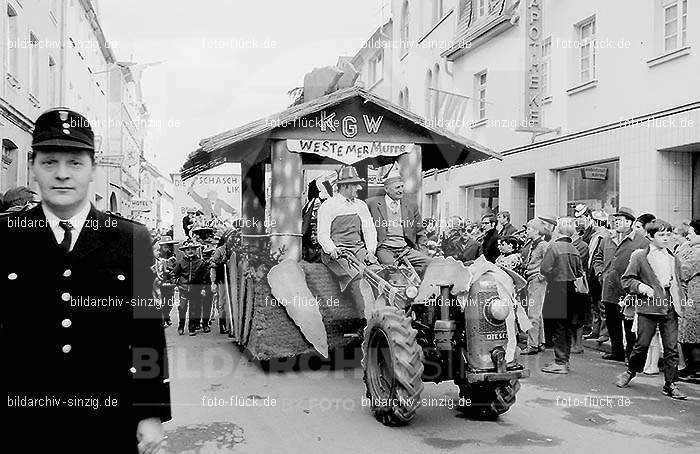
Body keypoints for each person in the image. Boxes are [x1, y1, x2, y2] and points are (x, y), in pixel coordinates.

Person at [0, 108, 170, 453]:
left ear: (93, 169)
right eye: (50, 162)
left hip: (109, 420)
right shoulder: (6, 237)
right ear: (33, 167)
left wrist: (150, 413)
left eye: (75, 162)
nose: (62, 174)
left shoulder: (130, 239)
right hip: (19, 422)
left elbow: (146, 333)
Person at [616, 219, 687, 399]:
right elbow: (627, 280)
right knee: (641, 345)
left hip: (669, 308)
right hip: (648, 308)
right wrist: (642, 288)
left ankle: (671, 384)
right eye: (661, 235)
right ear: (650, 236)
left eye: (668, 234)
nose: (666, 238)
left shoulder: (673, 258)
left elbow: (680, 282)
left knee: (671, 348)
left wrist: (681, 299)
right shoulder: (640, 256)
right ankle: (630, 372)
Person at [317, 165, 378, 317]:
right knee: (356, 277)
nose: (358, 188)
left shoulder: (361, 205)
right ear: (344, 186)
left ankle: (384, 312)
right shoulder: (328, 206)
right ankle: (366, 320)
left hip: (358, 249)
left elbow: (369, 230)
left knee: (377, 272)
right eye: (354, 185)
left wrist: (370, 251)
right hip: (337, 252)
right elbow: (322, 235)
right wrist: (332, 249)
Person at [592, 207, 649, 362]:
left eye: (620, 220)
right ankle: (616, 351)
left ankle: (630, 354)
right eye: (616, 220)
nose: (617, 223)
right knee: (612, 322)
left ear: (630, 222)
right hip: (609, 287)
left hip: (628, 289)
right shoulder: (607, 239)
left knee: (629, 323)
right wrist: (600, 273)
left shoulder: (641, 241)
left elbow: (646, 265)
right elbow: (598, 257)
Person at [540, 217, 586, 374]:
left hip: (557, 288)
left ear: (558, 230)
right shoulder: (574, 249)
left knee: (558, 327)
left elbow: (545, 269)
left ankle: (560, 362)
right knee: (566, 327)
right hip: (572, 289)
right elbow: (580, 272)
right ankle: (564, 360)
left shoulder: (554, 247)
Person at [367, 167, 431, 275]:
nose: (401, 190)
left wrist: (423, 252)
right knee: (393, 271)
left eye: (402, 187)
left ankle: (412, 284)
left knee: (430, 264)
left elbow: (420, 232)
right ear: (386, 189)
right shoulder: (371, 203)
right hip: (384, 249)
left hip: (405, 249)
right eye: (397, 187)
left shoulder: (411, 205)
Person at [521, 218, 549, 355]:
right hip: (532, 279)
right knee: (537, 313)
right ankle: (540, 341)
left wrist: (542, 275)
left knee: (533, 313)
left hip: (537, 280)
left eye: (529, 229)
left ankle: (532, 344)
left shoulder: (543, 245)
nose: (527, 231)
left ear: (536, 230)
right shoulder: (533, 244)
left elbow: (549, 262)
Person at [676, 219, 700, 379]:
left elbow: (683, 271)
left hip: (694, 299)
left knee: (693, 335)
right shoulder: (692, 249)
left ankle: (694, 370)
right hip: (692, 297)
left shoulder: (697, 253)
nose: (689, 235)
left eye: (692, 233)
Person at [173, 239, 209, 335]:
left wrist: (203, 288)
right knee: (182, 308)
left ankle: (191, 328)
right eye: (188, 249)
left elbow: (204, 278)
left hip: (195, 289)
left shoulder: (200, 263)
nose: (190, 251)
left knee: (193, 309)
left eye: (192, 249)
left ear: (196, 250)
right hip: (183, 289)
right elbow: (174, 274)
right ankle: (181, 326)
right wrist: (176, 283)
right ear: (184, 251)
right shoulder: (180, 263)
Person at [155, 235, 179, 327]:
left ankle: (166, 315)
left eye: (169, 246)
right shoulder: (157, 255)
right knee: (161, 301)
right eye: (165, 246)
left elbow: (174, 268)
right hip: (160, 282)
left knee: (170, 301)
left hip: (169, 282)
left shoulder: (172, 255)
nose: (168, 248)